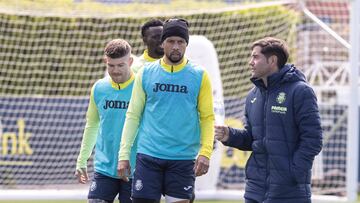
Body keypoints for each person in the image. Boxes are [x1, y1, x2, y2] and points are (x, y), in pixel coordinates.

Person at [117, 18, 215, 203]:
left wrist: (205, 152)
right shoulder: (146, 73)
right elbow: (133, 115)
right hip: (148, 156)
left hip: (183, 159)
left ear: (187, 44)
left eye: (181, 42)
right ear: (163, 43)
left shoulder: (199, 75)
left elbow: (208, 117)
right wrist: (123, 155)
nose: (176, 46)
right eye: (171, 41)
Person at [215, 37, 323, 203]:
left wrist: (294, 172)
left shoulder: (301, 91)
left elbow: (313, 139)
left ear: (272, 60)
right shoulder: (252, 95)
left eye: (256, 57)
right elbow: (252, 138)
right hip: (255, 189)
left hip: (289, 191)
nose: (250, 62)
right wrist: (229, 135)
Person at [75, 39, 137, 203]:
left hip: (135, 169)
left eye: (120, 65)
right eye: (111, 65)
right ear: (105, 62)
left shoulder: (141, 87)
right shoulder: (99, 88)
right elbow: (92, 125)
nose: (115, 71)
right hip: (104, 168)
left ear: (130, 62)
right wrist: (82, 159)